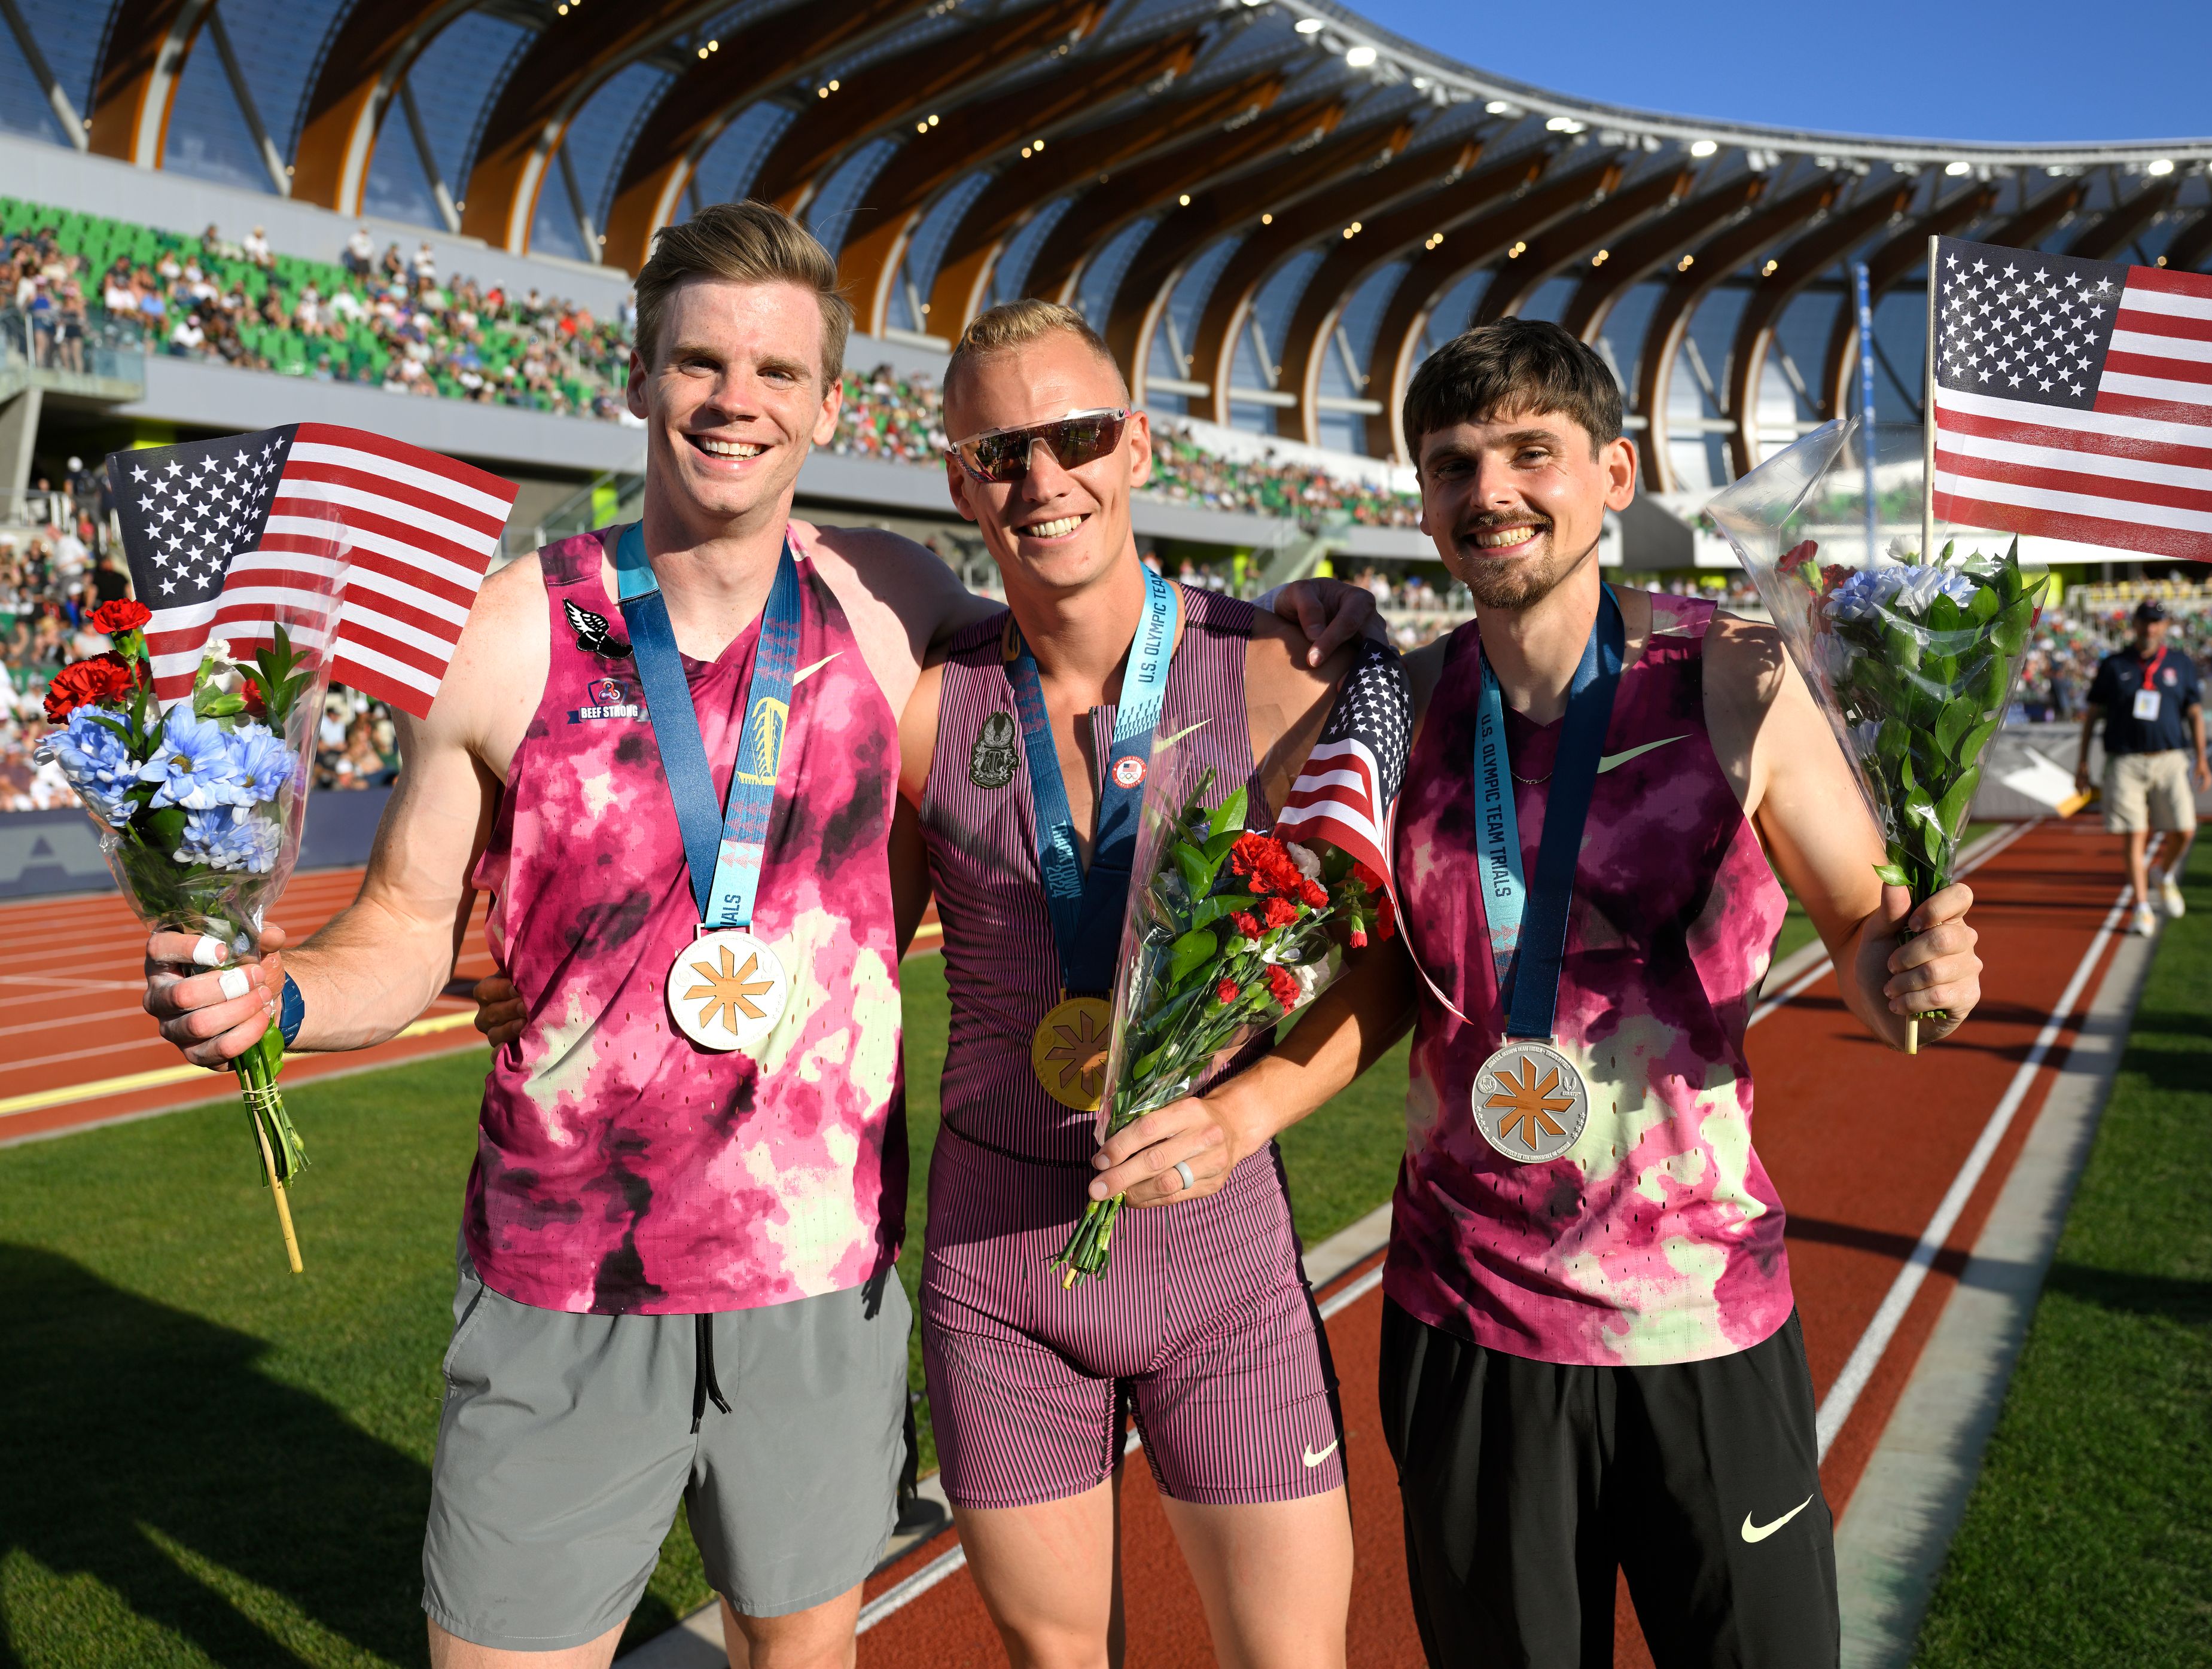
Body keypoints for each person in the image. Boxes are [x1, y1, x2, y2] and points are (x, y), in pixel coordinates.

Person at [143, 203, 1369, 1669]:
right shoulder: (510, 631)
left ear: (829, 405)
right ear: (642, 376)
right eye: (703, 362)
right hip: (568, 1273)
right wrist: (278, 995)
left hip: (817, 1276)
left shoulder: (892, 606)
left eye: (778, 372)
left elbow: (1086, 630)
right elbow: (405, 930)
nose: (738, 400)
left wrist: (1302, 621)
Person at [1093, 319, 1984, 1668]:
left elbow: (1864, 929)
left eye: (1529, 452)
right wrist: (1239, 1113)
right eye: (1452, 465)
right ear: (1425, 503)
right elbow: (1384, 982)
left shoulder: (1731, 676)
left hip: (1697, 1312)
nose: (1489, 491)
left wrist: (1914, 975)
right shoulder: (1411, 705)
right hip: (1468, 1321)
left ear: (1614, 474)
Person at [897, 302, 1357, 1667]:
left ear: (1137, 441)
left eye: (1078, 434)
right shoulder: (930, 708)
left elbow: (1377, 974)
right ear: (957, 479)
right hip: (998, 1262)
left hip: (1218, 1246)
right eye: (998, 450)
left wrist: (1248, 1108)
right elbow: (833, 944)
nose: (1043, 479)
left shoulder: (1284, 674)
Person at [2074, 600, 2208, 936]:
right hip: (2125, 760)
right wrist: (2083, 762)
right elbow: (2092, 714)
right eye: (2145, 621)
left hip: (2170, 758)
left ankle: (2164, 874)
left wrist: (2202, 759)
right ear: (2134, 624)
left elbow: (2194, 713)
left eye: (2157, 622)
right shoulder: (2114, 664)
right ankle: (2142, 907)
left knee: (2185, 830)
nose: (2150, 628)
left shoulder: (2180, 663)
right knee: (2135, 837)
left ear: (2165, 626)